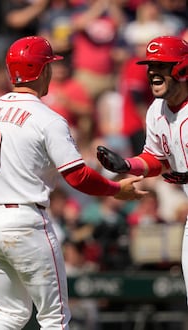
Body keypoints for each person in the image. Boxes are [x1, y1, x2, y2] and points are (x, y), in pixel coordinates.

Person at [0, 35, 147, 330]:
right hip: (25, 220)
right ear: (42, 71)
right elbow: (76, 175)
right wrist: (116, 189)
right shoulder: (46, 117)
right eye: (49, 66)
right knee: (55, 319)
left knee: (10, 315)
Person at [96, 35, 188, 300]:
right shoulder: (156, 109)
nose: (152, 73)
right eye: (150, 67)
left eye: (160, 66)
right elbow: (155, 158)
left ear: (181, 67)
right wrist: (127, 164)